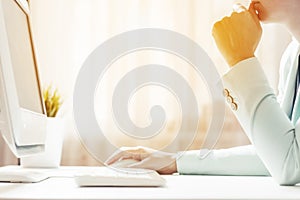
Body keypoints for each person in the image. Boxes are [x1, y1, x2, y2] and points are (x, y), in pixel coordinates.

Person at [106, 0, 300, 185]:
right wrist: (176, 161)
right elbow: (277, 154)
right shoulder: (292, 55)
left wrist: (240, 58)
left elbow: (289, 165)